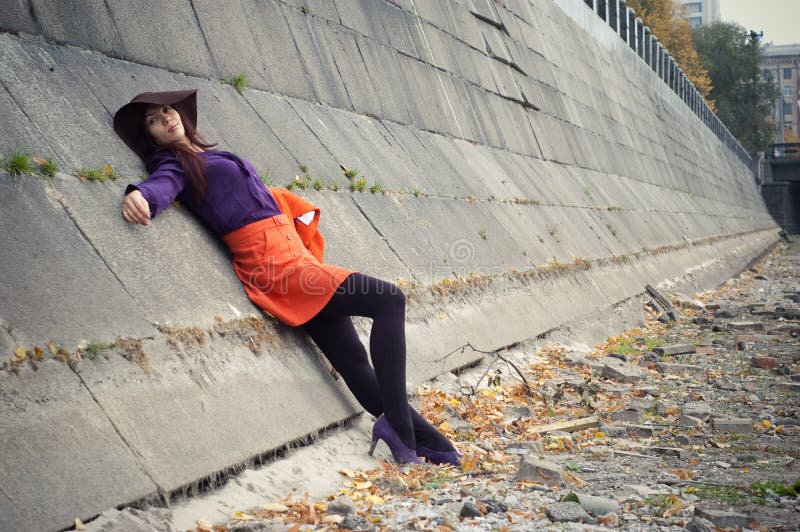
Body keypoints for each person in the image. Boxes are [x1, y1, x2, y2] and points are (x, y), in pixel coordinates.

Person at [114, 89, 461, 466]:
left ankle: (438, 448)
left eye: (166, 110)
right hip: (272, 262)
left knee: (355, 363)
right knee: (388, 299)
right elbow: (162, 183)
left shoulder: (208, 156)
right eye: (152, 120)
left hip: (292, 253)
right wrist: (141, 195)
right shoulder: (174, 162)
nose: (164, 118)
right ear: (149, 137)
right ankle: (402, 433)